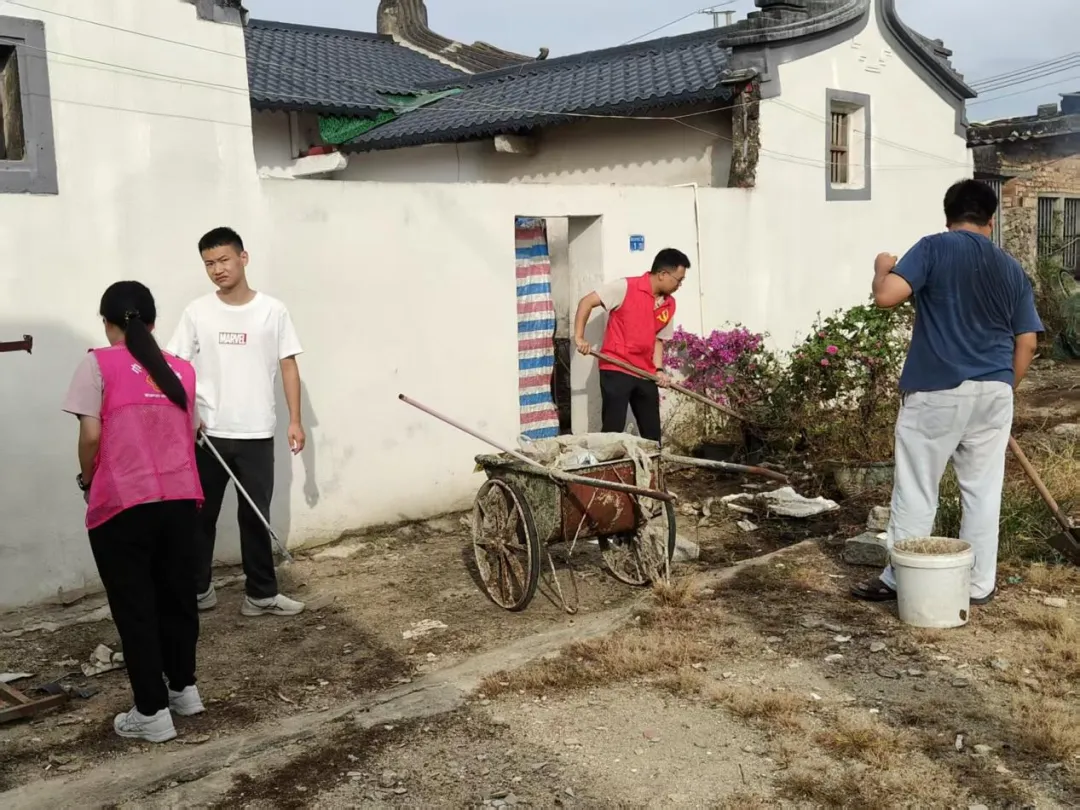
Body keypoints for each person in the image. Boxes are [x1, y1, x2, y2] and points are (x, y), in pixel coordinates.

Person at [852, 179, 1043, 606]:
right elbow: (1027, 343)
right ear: (991, 220)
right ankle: (977, 585)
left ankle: (903, 579)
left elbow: (886, 296)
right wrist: (1003, 389)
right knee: (982, 491)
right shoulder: (1011, 268)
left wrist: (882, 267)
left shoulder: (934, 248)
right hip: (995, 389)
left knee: (918, 487)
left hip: (937, 388)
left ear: (947, 216)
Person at [62, 281, 205, 743]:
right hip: (181, 499)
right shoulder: (181, 370)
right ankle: (184, 690)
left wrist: (87, 481)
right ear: (153, 323)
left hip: (125, 504)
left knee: (136, 606)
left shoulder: (98, 364)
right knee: (177, 598)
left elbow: (90, 437)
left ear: (107, 323)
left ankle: (152, 713)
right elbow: (193, 431)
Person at [167, 226, 307, 617]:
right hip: (207, 434)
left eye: (224, 259)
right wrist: (188, 414)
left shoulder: (273, 310)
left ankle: (260, 594)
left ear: (243, 258)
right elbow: (176, 366)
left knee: (255, 517)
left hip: (257, 432)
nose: (217, 269)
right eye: (209, 263)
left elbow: (289, 365)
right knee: (199, 517)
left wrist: (295, 420)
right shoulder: (197, 312)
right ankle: (198, 591)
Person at [572, 248, 689, 441]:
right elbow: (586, 302)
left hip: (645, 372)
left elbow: (658, 339)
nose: (679, 285)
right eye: (678, 280)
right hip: (616, 366)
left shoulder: (669, 304)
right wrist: (579, 337)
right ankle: (608, 460)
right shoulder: (626, 287)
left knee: (652, 434)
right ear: (662, 274)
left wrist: (659, 370)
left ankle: (653, 461)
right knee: (613, 430)